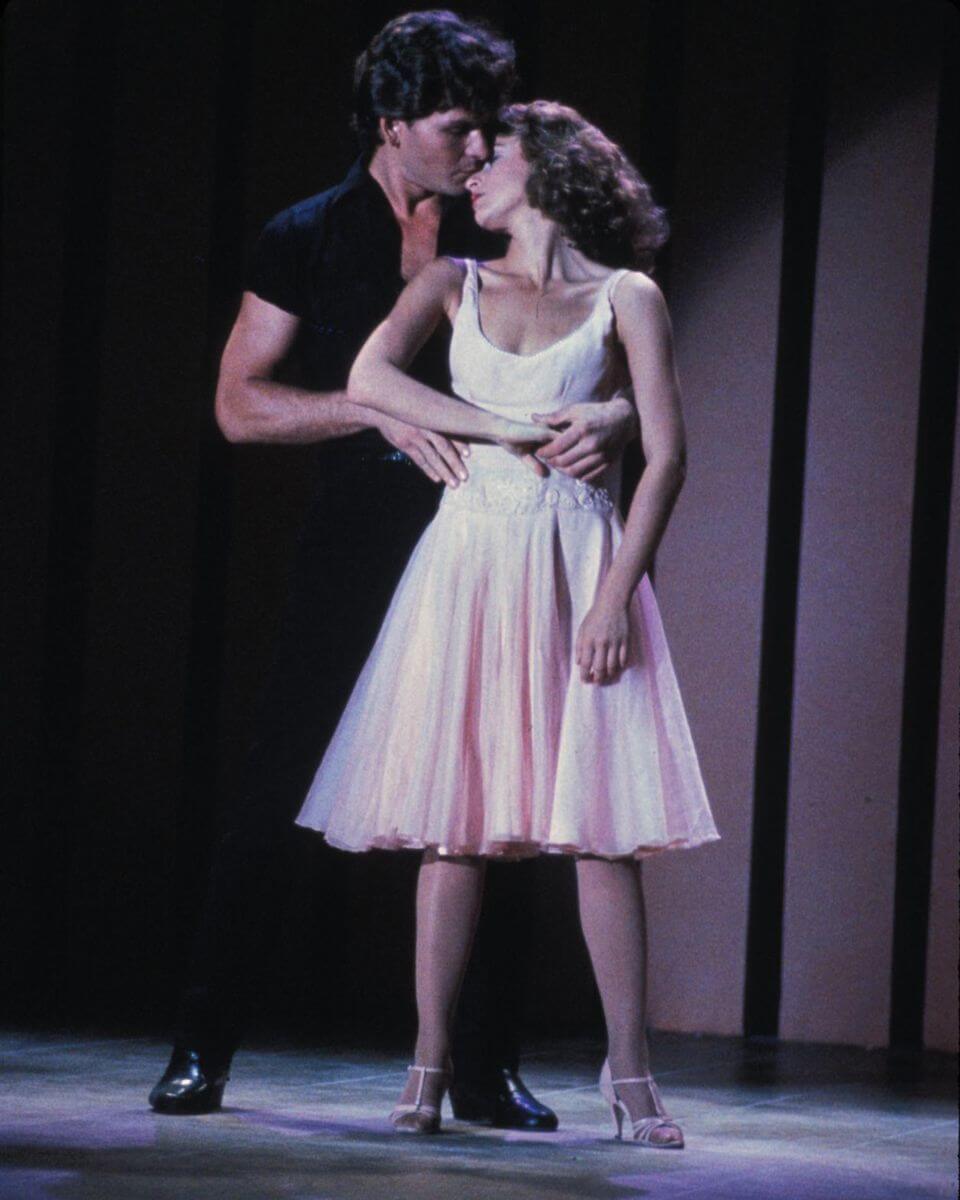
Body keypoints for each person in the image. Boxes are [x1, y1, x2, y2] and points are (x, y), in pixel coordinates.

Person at [148, 13, 638, 1128]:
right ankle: (201, 1045)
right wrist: (373, 409)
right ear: (392, 124)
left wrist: (604, 412)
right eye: (458, 130)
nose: (477, 153)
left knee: (498, 800)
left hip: (495, 547)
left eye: (486, 136)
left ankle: (479, 1064)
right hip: (362, 547)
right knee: (276, 795)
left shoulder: (499, 242)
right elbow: (239, 404)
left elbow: (601, 334)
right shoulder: (308, 233)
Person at [295, 100, 720, 1145]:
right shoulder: (454, 281)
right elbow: (367, 376)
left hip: (575, 560)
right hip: (470, 558)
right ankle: (427, 1068)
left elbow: (665, 456)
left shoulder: (629, 297)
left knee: (599, 827)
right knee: (455, 826)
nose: (472, 171)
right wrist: (495, 426)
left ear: (552, 172)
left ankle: (632, 1082)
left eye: (494, 158)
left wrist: (616, 594)